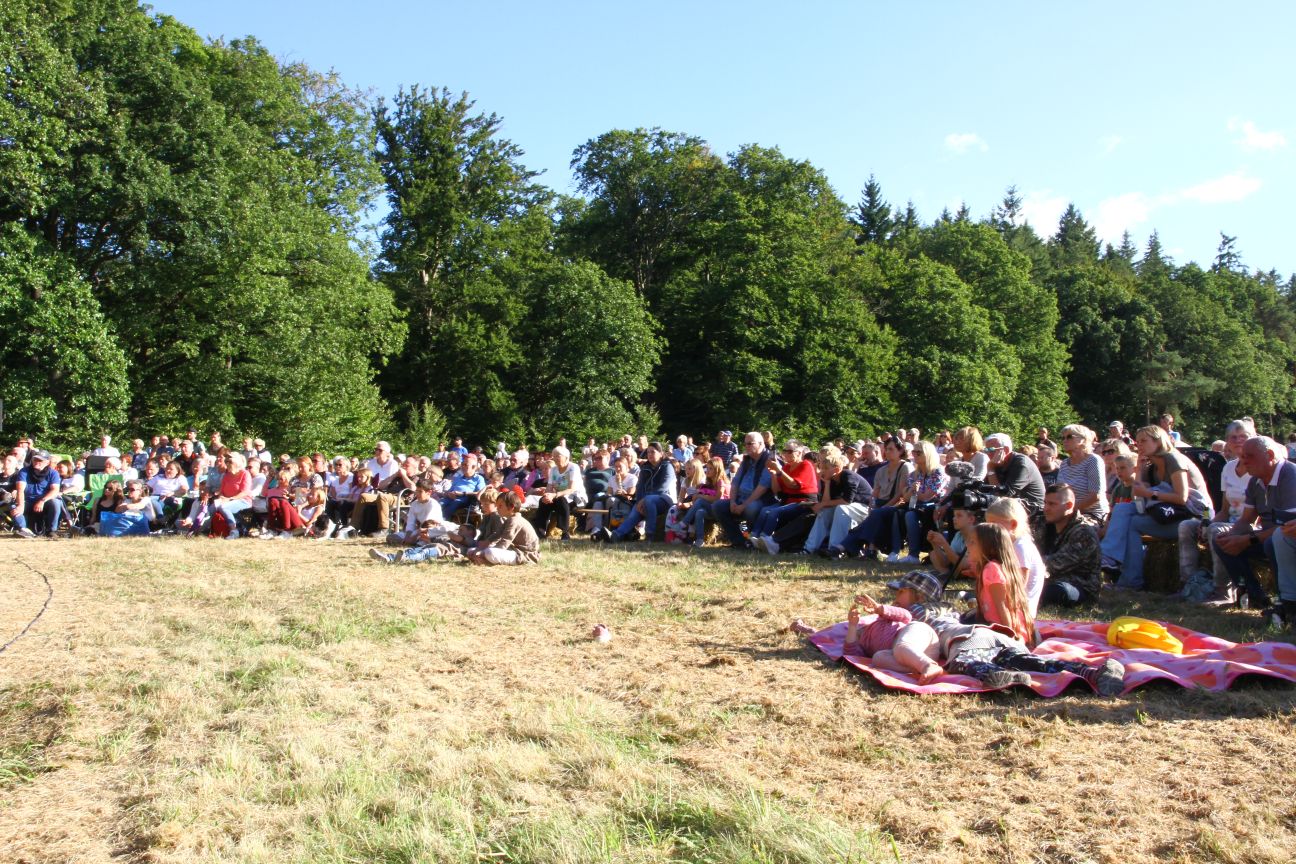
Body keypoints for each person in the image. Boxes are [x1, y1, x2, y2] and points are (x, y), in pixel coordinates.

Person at [1111, 425, 1213, 591]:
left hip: (1194, 517)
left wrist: (1150, 494)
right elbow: (1138, 498)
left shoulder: (1174, 459)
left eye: (1144, 441)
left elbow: (1181, 498)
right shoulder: (1151, 465)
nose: (1139, 445)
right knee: (1122, 510)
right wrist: (1139, 469)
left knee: (1133, 522)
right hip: (1169, 514)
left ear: (1158, 441)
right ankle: (1113, 562)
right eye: (1137, 441)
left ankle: (1128, 577)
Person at [1211, 437, 1296, 628]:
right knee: (1221, 541)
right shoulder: (1255, 480)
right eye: (1242, 457)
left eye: (1249, 456)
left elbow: (1288, 527)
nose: (1244, 461)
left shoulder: (1290, 476)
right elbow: (1246, 519)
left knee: (1274, 542)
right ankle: (1255, 596)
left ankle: (1286, 604)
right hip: (1267, 537)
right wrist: (1233, 535)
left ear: (1270, 455)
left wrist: (1248, 540)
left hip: (1283, 538)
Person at [1184, 419, 1254, 605]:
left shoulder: (1257, 468)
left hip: (1249, 524)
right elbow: (1224, 510)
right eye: (1233, 437)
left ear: (1253, 438)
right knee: (1187, 526)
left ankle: (1223, 591)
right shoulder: (1228, 468)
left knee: (1216, 531)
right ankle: (1190, 585)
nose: (1238, 440)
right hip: (1229, 521)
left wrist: (1216, 527)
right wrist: (1207, 524)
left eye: (1244, 436)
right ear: (1227, 442)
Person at [833, 437, 911, 560]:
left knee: (877, 514)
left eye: (891, 449)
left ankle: (843, 547)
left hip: (897, 504)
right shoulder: (882, 470)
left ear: (900, 451)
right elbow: (875, 494)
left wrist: (884, 507)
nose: (887, 452)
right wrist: (872, 506)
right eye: (886, 449)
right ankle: (867, 550)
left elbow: (900, 494)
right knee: (875, 514)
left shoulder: (905, 467)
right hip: (880, 504)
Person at [595, 442, 676, 543]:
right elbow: (640, 487)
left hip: (665, 498)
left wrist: (644, 500)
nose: (650, 454)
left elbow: (662, 487)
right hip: (646, 500)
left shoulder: (667, 466)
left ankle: (650, 535)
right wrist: (639, 501)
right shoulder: (645, 467)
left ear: (660, 453)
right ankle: (615, 535)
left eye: (653, 452)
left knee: (649, 501)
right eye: (648, 452)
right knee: (634, 513)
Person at [800, 447, 872, 557]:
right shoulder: (831, 480)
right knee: (824, 512)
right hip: (849, 508)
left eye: (825, 468)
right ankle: (809, 549)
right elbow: (827, 503)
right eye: (821, 468)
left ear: (837, 469)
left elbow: (846, 501)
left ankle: (834, 550)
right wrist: (827, 484)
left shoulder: (848, 476)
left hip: (865, 508)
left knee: (841, 508)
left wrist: (822, 504)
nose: (822, 471)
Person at [1040, 484, 1102, 607]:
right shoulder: (1046, 525)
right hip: (1049, 578)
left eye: (1052, 504)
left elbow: (1055, 564)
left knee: (1056, 591)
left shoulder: (1083, 532)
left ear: (1069, 506)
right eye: (1045, 503)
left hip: (1079, 587)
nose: (1046, 508)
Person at [750, 440, 818, 550]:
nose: (786, 453)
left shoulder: (806, 465)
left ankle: (765, 540)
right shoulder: (786, 467)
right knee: (764, 510)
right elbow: (777, 490)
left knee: (773, 512)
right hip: (788, 501)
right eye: (785, 451)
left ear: (799, 453)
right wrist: (773, 475)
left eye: (789, 451)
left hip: (804, 503)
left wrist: (779, 470)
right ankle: (753, 537)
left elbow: (793, 485)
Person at [985, 497, 1046, 617]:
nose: (990, 530)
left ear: (1013, 524)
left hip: (1020, 612)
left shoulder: (1021, 547)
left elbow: (1019, 585)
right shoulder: (1011, 545)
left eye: (994, 525)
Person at [711, 432, 774, 548]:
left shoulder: (769, 460)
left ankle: (753, 541)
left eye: (750, 444)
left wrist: (744, 505)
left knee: (751, 509)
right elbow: (735, 482)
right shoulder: (746, 460)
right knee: (718, 506)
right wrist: (732, 502)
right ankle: (739, 541)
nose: (746, 447)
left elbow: (762, 487)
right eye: (745, 444)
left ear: (761, 444)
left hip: (761, 500)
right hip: (741, 498)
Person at [469, 489, 540, 565]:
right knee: (472, 550)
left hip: (525, 555)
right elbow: (497, 534)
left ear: (511, 507)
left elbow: (505, 541)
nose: (497, 508)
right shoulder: (509, 519)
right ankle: (484, 560)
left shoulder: (515, 521)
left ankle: (484, 559)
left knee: (489, 552)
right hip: (514, 550)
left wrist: (483, 552)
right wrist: (485, 543)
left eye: (500, 506)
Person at [983, 434, 1046, 517]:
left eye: (991, 450)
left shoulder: (1021, 463)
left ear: (1005, 450)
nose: (988, 454)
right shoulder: (996, 463)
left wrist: (990, 469)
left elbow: (1003, 495)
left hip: (1033, 512)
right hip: (1011, 508)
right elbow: (987, 490)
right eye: (986, 450)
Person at [532, 446, 587, 541]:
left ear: (566, 457)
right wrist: (547, 495)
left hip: (576, 498)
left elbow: (571, 489)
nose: (555, 458)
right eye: (554, 456)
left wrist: (554, 495)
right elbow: (549, 487)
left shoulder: (573, 467)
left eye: (558, 456)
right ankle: (541, 530)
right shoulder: (553, 470)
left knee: (561, 500)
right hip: (558, 497)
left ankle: (564, 532)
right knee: (543, 501)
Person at [1057, 424, 1108, 520]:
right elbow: (1059, 492)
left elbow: (1096, 496)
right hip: (1067, 514)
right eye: (1063, 438)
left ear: (1083, 440)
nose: (1064, 441)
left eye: (1069, 437)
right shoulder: (1064, 464)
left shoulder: (1093, 461)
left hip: (1092, 514)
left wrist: (1069, 511)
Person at [12, 450, 64, 537]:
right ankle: (22, 530)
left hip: (44, 501)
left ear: (47, 462)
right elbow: (20, 489)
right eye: (35, 459)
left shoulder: (53, 473)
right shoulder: (24, 471)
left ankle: (51, 530)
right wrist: (20, 505)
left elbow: (55, 490)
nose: (37, 462)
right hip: (27, 501)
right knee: (14, 506)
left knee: (56, 502)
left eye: (40, 460)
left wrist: (42, 501)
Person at [203, 452, 254, 539]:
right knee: (211, 508)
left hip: (243, 501)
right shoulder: (227, 475)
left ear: (237, 463)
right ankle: (207, 529)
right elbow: (221, 491)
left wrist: (230, 499)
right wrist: (221, 498)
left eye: (230, 462)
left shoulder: (245, 474)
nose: (227, 464)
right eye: (226, 461)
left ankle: (234, 531)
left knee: (224, 507)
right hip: (227, 500)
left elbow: (245, 492)